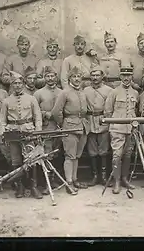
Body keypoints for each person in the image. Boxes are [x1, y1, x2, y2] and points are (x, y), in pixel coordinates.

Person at [0, 71, 43, 199]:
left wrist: (37, 131)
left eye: (19, 83)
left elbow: (38, 117)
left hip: (28, 131)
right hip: (12, 132)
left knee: (32, 159)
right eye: (15, 83)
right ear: (11, 85)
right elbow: (2, 120)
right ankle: (20, 187)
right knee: (16, 160)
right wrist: (3, 134)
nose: (17, 86)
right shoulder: (6, 101)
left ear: (23, 84)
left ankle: (33, 187)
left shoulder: (31, 99)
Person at [51, 66, 90, 194]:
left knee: (77, 156)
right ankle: (69, 182)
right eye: (74, 76)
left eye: (79, 76)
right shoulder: (65, 93)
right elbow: (56, 112)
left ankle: (75, 179)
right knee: (69, 156)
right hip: (69, 127)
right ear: (69, 79)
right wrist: (64, 124)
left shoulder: (83, 92)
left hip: (82, 126)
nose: (77, 79)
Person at [104, 64, 139, 194]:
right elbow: (108, 111)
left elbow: (136, 110)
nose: (126, 78)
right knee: (117, 155)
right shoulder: (114, 92)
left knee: (128, 154)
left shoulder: (135, 93)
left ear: (131, 77)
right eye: (124, 75)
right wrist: (113, 126)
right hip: (117, 128)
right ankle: (116, 181)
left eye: (128, 75)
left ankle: (125, 179)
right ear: (120, 76)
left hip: (130, 129)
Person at [33, 66, 64, 194]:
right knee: (46, 154)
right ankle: (46, 182)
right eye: (47, 76)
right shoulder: (38, 93)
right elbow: (33, 110)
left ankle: (54, 179)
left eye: (52, 76)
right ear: (44, 78)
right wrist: (45, 113)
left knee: (57, 153)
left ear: (56, 77)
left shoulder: (62, 92)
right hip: (46, 127)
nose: (50, 79)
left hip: (59, 127)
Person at [83, 65, 114, 187]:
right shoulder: (85, 90)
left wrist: (108, 121)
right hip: (90, 121)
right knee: (92, 151)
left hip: (103, 121)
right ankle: (95, 176)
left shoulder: (109, 90)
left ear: (102, 76)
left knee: (104, 150)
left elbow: (110, 108)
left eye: (97, 75)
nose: (95, 78)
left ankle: (104, 176)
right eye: (93, 75)